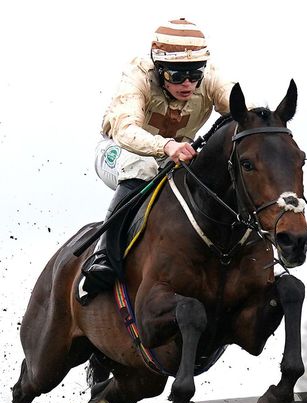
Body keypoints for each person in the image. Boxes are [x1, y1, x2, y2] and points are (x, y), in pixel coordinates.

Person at [80, 18, 236, 297]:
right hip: (119, 153)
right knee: (142, 166)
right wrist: (167, 147)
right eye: (177, 76)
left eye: (194, 75)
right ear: (160, 68)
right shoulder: (136, 78)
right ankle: (104, 255)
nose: (188, 84)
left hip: (177, 156)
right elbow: (126, 131)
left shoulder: (210, 77)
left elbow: (240, 108)